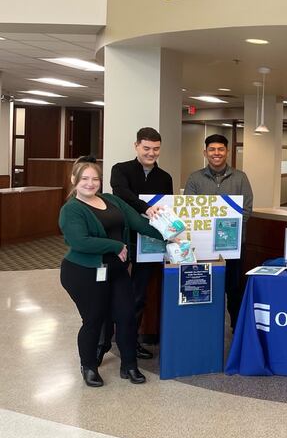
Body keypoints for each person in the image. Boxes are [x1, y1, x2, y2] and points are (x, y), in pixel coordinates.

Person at [59, 161, 169, 387]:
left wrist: (170, 236)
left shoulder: (112, 200)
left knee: (127, 318)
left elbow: (138, 222)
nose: (90, 183)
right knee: (94, 320)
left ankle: (129, 365)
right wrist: (115, 246)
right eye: (84, 179)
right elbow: (79, 241)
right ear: (74, 181)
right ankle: (88, 366)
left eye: (95, 179)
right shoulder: (71, 209)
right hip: (84, 272)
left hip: (116, 271)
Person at [97, 127, 174, 363]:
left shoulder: (165, 178)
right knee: (111, 294)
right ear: (136, 146)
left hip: (149, 244)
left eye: (156, 149)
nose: (151, 153)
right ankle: (101, 345)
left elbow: (167, 210)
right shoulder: (120, 170)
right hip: (122, 241)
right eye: (146, 148)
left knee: (139, 296)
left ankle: (131, 342)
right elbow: (121, 194)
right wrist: (145, 208)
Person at [184, 134, 253, 329]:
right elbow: (190, 210)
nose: (217, 153)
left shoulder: (240, 177)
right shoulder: (195, 178)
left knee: (234, 288)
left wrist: (225, 233)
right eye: (212, 149)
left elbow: (246, 210)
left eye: (221, 149)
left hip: (233, 245)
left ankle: (236, 327)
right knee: (205, 286)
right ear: (205, 153)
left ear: (227, 152)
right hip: (202, 247)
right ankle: (205, 327)